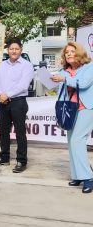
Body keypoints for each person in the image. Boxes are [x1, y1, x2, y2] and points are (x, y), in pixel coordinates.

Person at [51, 41, 93, 193]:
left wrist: (64, 79)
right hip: (70, 109)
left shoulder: (90, 67)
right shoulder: (65, 71)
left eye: (72, 51)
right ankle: (77, 175)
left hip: (87, 107)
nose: (68, 54)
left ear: (79, 53)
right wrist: (48, 79)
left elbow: (84, 83)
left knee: (77, 140)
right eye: (66, 52)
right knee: (71, 141)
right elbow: (53, 86)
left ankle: (88, 177)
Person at [0, 38, 34, 173]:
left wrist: (7, 94)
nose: (14, 51)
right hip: (3, 102)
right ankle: (4, 157)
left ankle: (21, 161)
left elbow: (23, 85)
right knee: (3, 131)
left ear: (21, 50)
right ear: (8, 50)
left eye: (17, 49)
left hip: (18, 102)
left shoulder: (26, 65)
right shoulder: (2, 65)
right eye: (11, 49)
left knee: (20, 132)